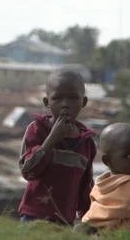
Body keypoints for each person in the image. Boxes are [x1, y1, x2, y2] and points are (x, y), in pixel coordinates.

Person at [17, 68, 96, 225]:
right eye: (58, 98)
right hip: (34, 214)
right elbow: (28, 171)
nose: (65, 105)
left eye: (73, 98)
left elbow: (85, 186)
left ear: (84, 102)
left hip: (65, 219)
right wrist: (51, 139)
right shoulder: (37, 130)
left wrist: (88, 219)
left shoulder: (86, 142)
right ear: (47, 103)